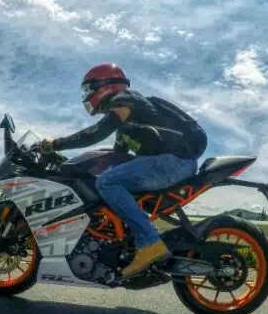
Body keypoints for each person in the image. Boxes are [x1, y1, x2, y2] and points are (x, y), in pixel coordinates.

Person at [42, 63, 207, 278]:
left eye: (88, 89)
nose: (86, 96)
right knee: (108, 181)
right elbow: (116, 156)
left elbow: (95, 134)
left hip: (174, 162)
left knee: (107, 182)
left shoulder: (125, 100)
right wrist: (72, 165)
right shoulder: (125, 127)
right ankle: (132, 240)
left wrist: (55, 144)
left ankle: (149, 243)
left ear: (104, 86)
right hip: (168, 163)